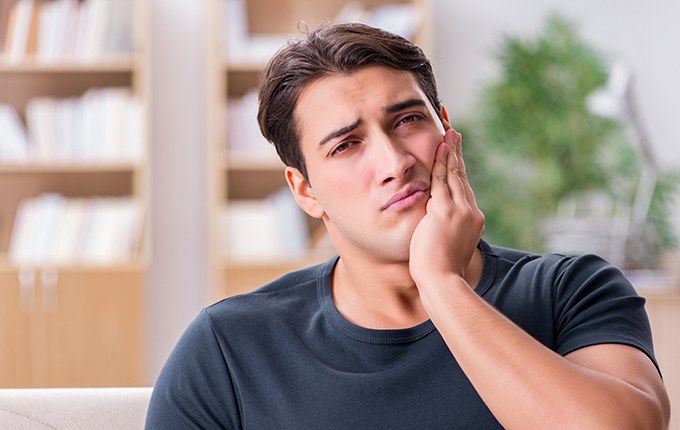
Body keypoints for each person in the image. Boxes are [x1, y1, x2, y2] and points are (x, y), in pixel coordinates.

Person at [145, 22, 670, 429]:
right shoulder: (230, 347)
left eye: (408, 121)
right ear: (305, 191)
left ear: (448, 132)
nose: (395, 161)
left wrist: (441, 285)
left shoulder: (571, 291)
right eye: (346, 144)